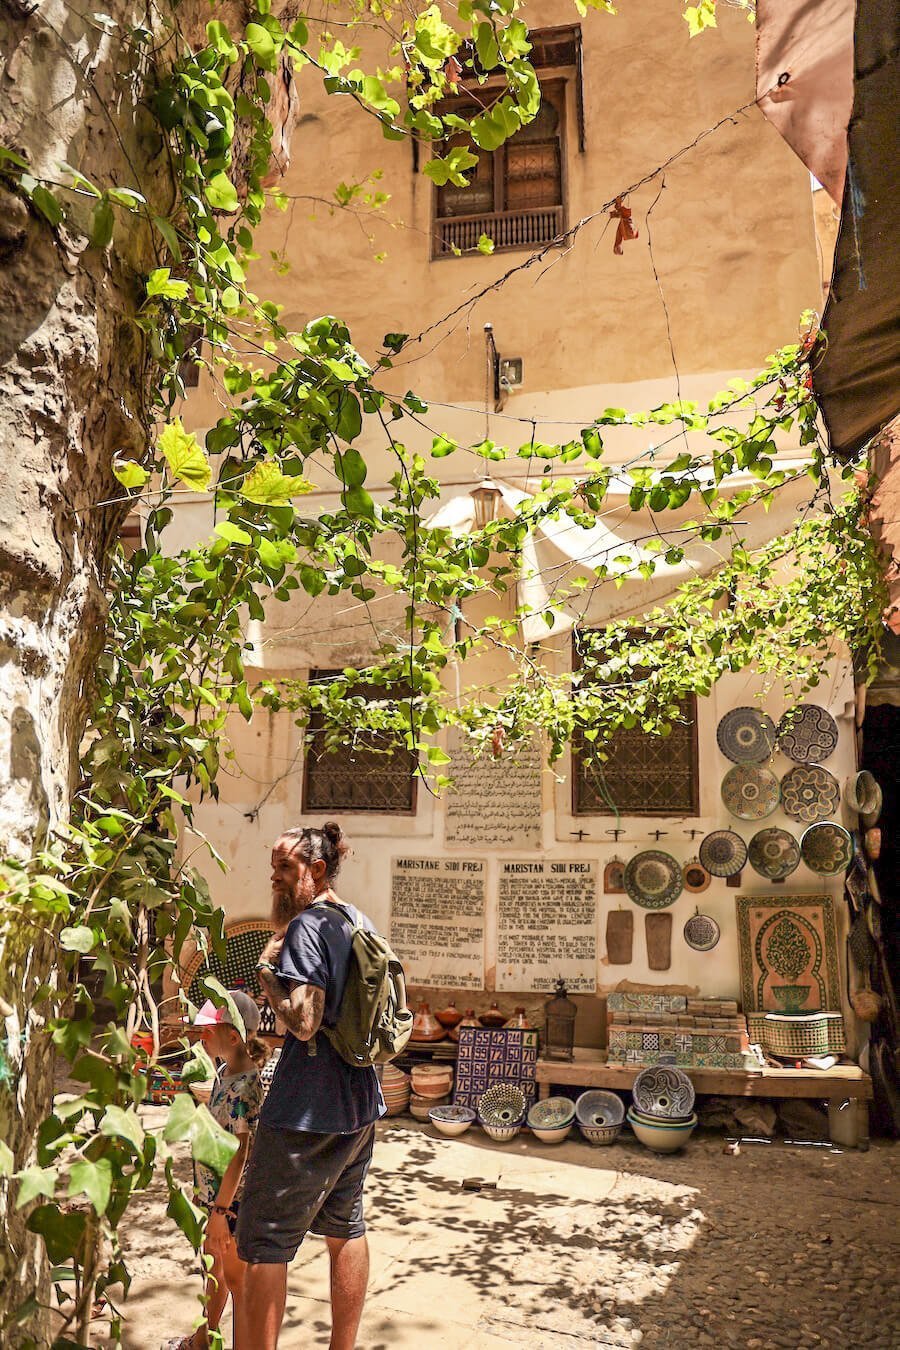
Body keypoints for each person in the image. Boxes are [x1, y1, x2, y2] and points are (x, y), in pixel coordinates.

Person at [235, 822, 385, 1350]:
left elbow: (304, 1021)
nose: (274, 878)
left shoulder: (306, 928)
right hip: (360, 1104)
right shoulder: (356, 919)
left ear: (315, 871)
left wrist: (268, 980)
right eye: (273, 866)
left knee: (264, 1246)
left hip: (304, 1114)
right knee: (345, 1226)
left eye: (285, 868)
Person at [164, 989, 267, 1350]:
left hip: (232, 1205)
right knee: (215, 1273)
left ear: (234, 1036)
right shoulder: (226, 1073)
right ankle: (203, 1341)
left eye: (210, 1029)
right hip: (217, 1201)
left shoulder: (244, 1087)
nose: (202, 1034)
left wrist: (221, 1211)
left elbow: (240, 1152)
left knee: (237, 1283)